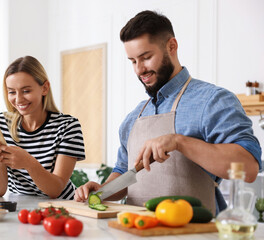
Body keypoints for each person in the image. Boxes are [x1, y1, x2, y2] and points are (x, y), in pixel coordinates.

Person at [74, 10, 262, 215]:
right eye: (133, 61)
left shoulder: (212, 100)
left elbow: (249, 167)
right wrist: (102, 191)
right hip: (136, 230)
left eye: (146, 57)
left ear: (171, 46)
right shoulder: (133, 118)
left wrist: (180, 142)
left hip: (196, 233)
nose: (139, 69)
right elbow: (124, 174)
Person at [0, 56, 85, 199]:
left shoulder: (67, 126)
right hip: (21, 206)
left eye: (26, 91)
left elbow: (56, 189)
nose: (18, 99)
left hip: (62, 205)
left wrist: (28, 163)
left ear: (45, 88)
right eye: (11, 92)